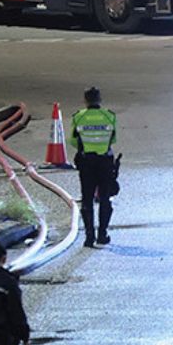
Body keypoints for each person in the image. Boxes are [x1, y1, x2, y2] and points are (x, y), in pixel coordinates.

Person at [70, 86, 118, 248]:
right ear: (100, 100)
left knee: (87, 199)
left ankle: (89, 237)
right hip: (105, 162)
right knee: (105, 198)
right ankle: (102, 234)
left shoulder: (78, 117)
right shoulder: (109, 116)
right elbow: (113, 139)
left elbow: (73, 141)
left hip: (86, 162)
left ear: (85, 100)